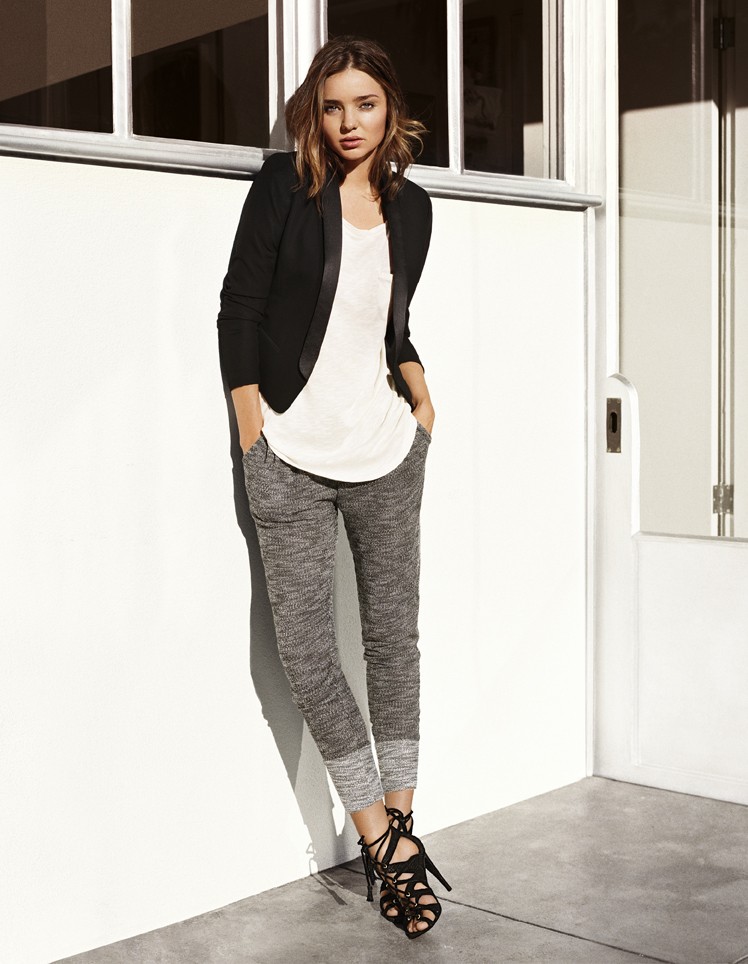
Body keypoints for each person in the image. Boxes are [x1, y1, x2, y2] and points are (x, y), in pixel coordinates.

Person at [217, 35, 449, 939]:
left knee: (393, 643)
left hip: (386, 452)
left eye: (366, 104)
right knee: (309, 654)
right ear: (314, 111)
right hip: (289, 454)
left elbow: (390, 325)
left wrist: (420, 393)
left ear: (391, 110)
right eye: (333, 105)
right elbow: (239, 306)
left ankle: (403, 825)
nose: (349, 122)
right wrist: (251, 425)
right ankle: (381, 840)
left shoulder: (413, 208)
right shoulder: (286, 187)